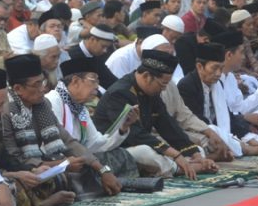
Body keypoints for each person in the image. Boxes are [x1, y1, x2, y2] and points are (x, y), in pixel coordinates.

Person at [0, 55, 122, 206]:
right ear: (18, 89)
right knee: (27, 183)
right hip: (20, 169)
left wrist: (102, 169)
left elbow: (68, 141)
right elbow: (14, 157)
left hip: (43, 165)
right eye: (37, 84)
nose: (43, 88)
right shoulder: (6, 111)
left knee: (87, 166)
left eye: (43, 82)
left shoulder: (42, 105)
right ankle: (42, 202)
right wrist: (60, 165)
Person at [92, 50, 216, 179]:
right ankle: (178, 169)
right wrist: (176, 155)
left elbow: (167, 125)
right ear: (147, 76)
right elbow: (136, 135)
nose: (163, 89)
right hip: (117, 148)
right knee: (146, 153)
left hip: (142, 142)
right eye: (162, 84)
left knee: (197, 149)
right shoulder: (120, 93)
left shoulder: (151, 92)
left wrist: (195, 154)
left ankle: (190, 163)